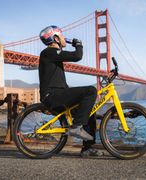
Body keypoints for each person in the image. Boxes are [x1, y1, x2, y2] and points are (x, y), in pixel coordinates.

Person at [38, 25, 103, 156]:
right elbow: (77, 56)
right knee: (90, 91)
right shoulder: (48, 52)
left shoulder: (54, 55)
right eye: (61, 35)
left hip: (59, 94)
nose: (64, 38)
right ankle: (76, 128)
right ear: (55, 38)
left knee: (89, 112)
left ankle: (87, 148)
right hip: (52, 95)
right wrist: (78, 44)